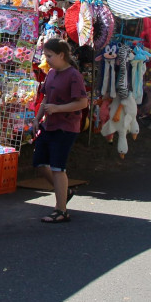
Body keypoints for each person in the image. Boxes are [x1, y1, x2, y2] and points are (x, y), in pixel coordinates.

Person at [33, 38, 89, 224]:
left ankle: (61, 210)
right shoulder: (51, 73)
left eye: (49, 56)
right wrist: (37, 118)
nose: (46, 59)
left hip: (66, 127)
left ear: (61, 55)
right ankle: (64, 192)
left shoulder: (74, 75)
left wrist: (57, 109)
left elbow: (82, 103)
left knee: (58, 167)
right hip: (48, 125)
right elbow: (46, 97)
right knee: (39, 163)